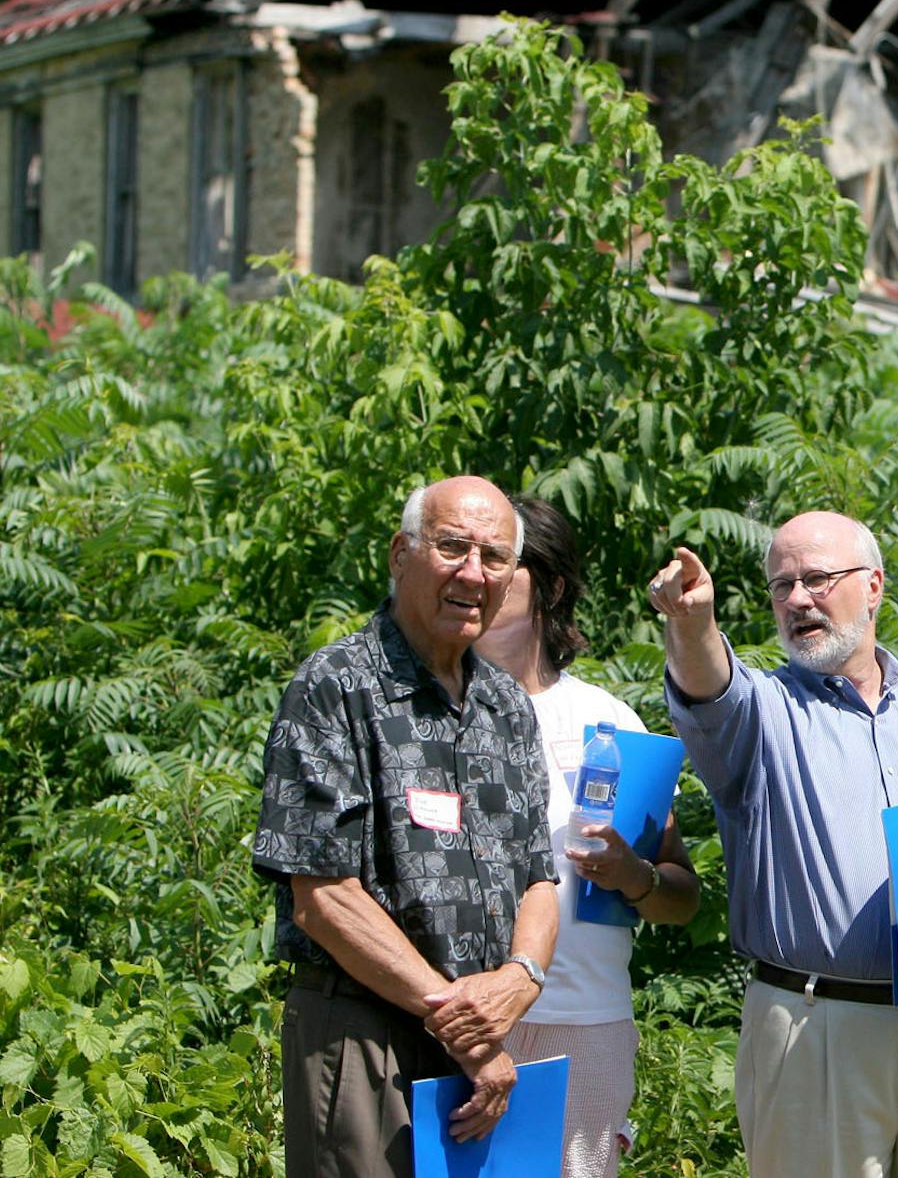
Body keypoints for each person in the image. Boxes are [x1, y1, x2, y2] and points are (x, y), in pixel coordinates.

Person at [646, 511, 898, 1178]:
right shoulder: (761, 712)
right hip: (816, 1028)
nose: (797, 599)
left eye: (817, 578)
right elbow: (707, 683)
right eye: (781, 586)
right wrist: (693, 621)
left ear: (873, 586)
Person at [252, 475, 559, 1178]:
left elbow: (540, 875)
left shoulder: (506, 705)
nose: (473, 573)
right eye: (453, 547)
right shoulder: (335, 685)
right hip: (367, 1038)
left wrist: (522, 976)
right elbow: (323, 895)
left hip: (481, 1047)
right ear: (400, 553)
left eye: (494, 557)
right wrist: (461, 1023)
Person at [477, 494, 700, 1178]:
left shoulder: (606, 718)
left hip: (585, 1021)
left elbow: (681, 893)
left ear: (552, 586)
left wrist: (633, 875)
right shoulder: (426, 712)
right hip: (461, 1011)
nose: (477, 578)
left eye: (501, 562)